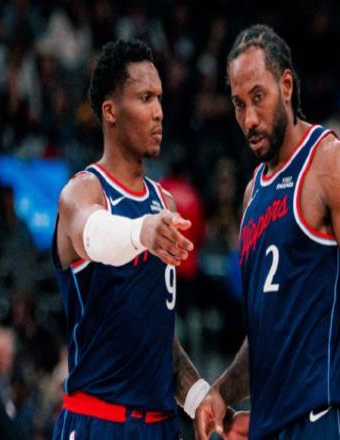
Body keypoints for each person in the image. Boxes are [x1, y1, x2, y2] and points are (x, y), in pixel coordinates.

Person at [196, 25, 340, 439]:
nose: (249, 119)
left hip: (323, 417)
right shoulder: (252, 194)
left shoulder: (331, 164)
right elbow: (265, 336)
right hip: (269, 427)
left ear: (286, 85)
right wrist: (222, 393)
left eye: (258, 97)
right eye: (238, 104)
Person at [52, 39, 219, 440]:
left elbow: (159, 340)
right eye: (145, 98)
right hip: (98, 421)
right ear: (110, 111)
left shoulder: (164, 202)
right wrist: (139, 231)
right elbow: (92, 233)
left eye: (160, 98)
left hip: (160, 426)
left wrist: (201, 399)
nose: (159, 111)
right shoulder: (83, 192)